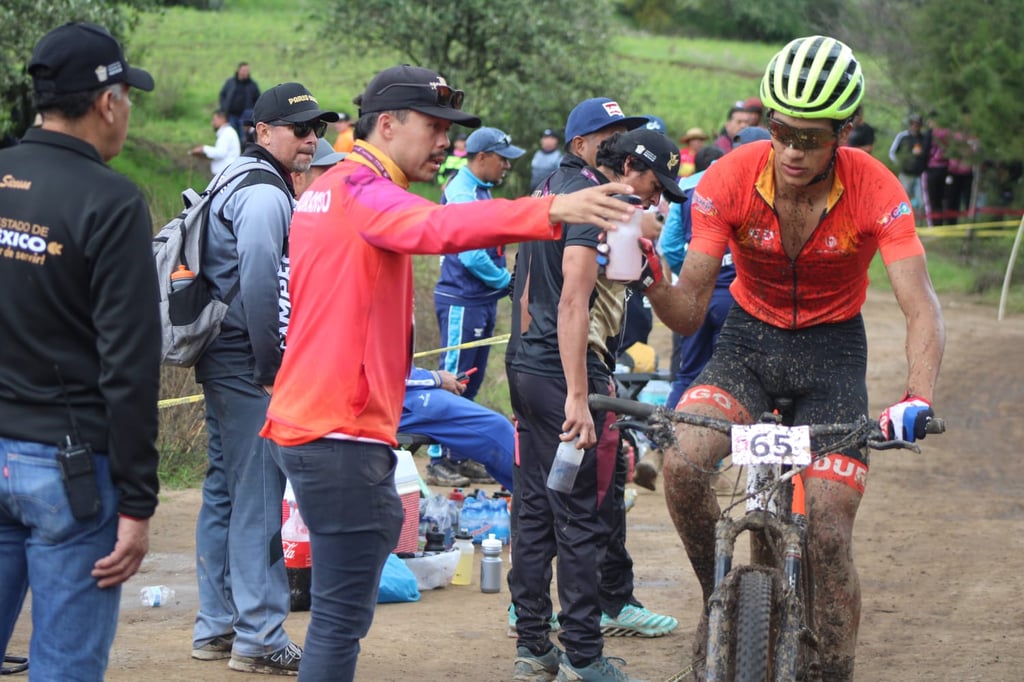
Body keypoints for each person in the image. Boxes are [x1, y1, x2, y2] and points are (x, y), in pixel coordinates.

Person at [259, 64, 636, 682]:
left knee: (347, 595)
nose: (446, 142)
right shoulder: (360, 190)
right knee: (338, 621)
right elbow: (436, 229)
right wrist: (549, 210)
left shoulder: (326, 186)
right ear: (387, 124)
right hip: (338, 431)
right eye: (434, 127)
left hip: (320, 424)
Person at [644, 36, 945, 680]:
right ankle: (715, 598)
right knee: (682, 465)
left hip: (833, 357)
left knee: (830, 533)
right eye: (780, 130)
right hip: (747, 345)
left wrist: (916, 395)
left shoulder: (876, 188)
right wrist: (654, 285)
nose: (791, 150)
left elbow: (921, 306)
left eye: (810, 138)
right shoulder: (728, 177)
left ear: (843, 133)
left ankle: (834, 668)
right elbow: (692, 308)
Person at [0, 22, 160, 679]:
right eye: (127, 96)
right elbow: (129, 366)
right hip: (69, 474)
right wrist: (138, 503)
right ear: (106, 102)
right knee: (64, 667)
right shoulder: (113, 202)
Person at [506, 105, 687, 681]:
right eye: (654, 187)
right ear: (625, 164)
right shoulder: (595, 199)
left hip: (524, 363)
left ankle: (533, 646)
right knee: (581, 516)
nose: (654, 202)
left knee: (536, 506)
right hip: (566, 370)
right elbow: (572, 303)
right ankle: (585, 654)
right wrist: (580, 398)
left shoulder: (552, 186)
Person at [191, 82, 339, 675]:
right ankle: (258, 635)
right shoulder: (264, 195)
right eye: (298, 129)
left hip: (223, 354)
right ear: (262, 131)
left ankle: (217, 627)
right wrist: (270, 366)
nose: (310, 139)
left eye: (316, 130)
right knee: (255, 497)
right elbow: (257, 278)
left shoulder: (233, 176)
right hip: (247, 362)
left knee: (224, 491)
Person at [428, 126, 526, 486]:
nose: (506, 167)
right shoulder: (462, 192)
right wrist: (505, 283)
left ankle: (460, 453)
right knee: (450, 378)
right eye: (502, 160)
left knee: (470, 381)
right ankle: (438, 459)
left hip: (481, 300)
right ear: (481, 157)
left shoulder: (481, 190)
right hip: (462, 300)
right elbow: (470, 254)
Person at [402, 368, 514, 490]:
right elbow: (384, 373)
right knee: (496, 428)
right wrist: (435, 378)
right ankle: (534, 494)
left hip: (406, 389)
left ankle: (530, 495)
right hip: (394, 401)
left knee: (497, 426)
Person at [888, 112, 929, 219]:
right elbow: (892, 153)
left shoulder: (923, 138)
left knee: (920, 201)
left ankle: (918, 222)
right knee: (904, 200)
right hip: (905, 174)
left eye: (918, 124)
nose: (915, 126)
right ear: (910, 124)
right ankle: (904, 221)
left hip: (919, 174)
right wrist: (900, 163)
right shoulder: (903, 136)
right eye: (914, 124)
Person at [189, 109, 241, 177]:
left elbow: (220, 153)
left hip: (225, 176)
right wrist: (203, 155)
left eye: (214, 120)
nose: (212, 123)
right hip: (225, 174)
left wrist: (203, 149)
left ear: (222, 119)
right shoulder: (228, 132)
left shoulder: (227, 133)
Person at [219, 61, 261, 144]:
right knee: (232, 136)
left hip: (245, 117)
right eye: (243, 70)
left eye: (247, 70)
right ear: (238, 70)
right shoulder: (230, 82)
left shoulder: (252, 85)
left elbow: (258, 99)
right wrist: (224, 108)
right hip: (231, 115)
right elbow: (222, 95)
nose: (245, 72)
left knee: (244, 138)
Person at [530, 127, 563, 192]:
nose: (544, 140)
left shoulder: (558, 157)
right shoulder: (537, 154)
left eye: (547, 138)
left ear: (555, 140)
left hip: (549, 193)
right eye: (544, 138)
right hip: (534, 191)